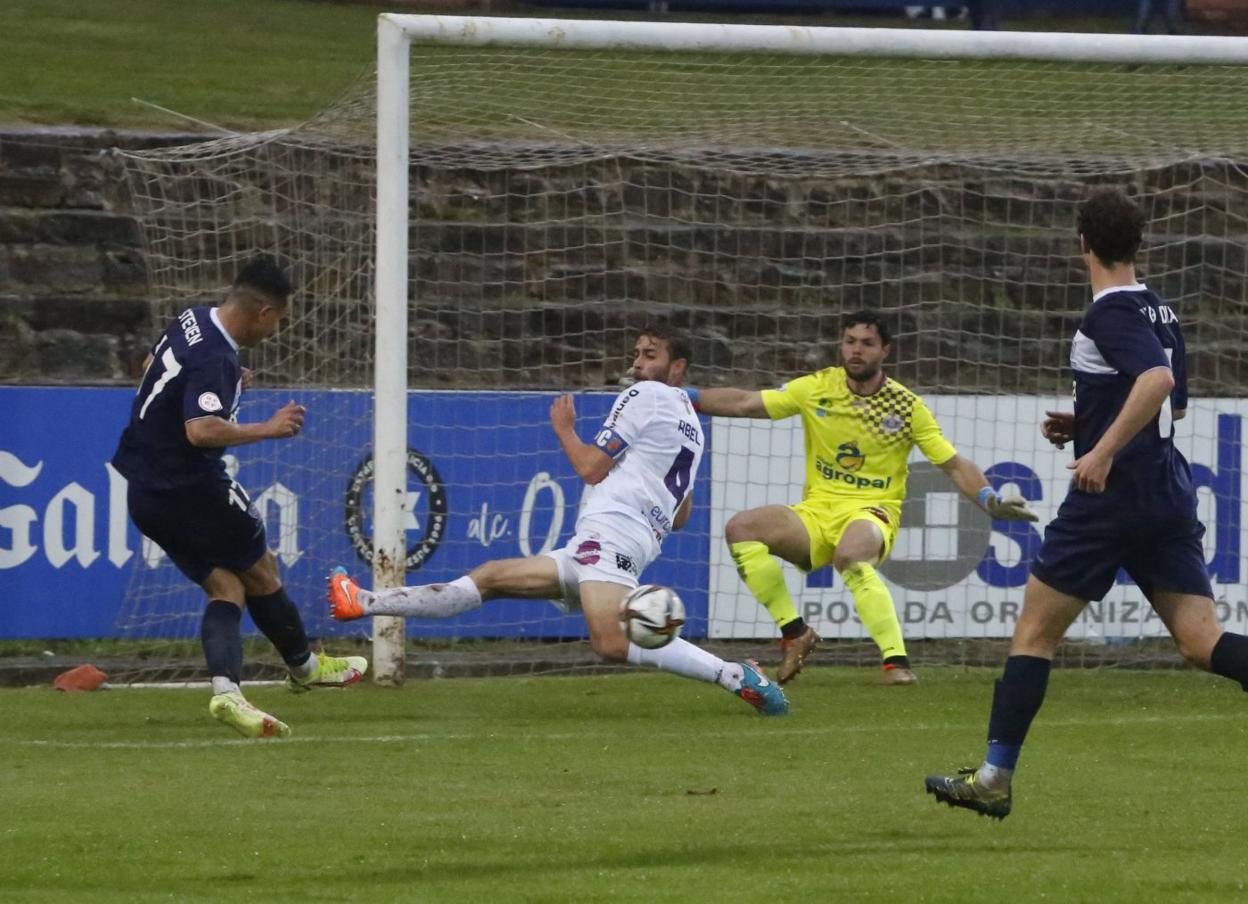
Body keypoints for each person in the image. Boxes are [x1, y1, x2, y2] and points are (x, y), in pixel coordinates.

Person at [925, 189, 1248, 820]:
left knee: (1035, 634)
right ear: (1138, 242)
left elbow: (1157, 384)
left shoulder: (1107, 312)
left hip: (1109, 500)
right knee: (1199, 640)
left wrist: (1097, 450)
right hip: (1165, 495)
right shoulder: (1160, 309)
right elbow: (1171, 407)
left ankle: (994, 777)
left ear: (1083, 243)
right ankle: (992, 775)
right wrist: (1087, 420)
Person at [327, 326, 789, 716]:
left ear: (678, 367)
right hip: (622, 539)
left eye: (651, 355)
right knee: (490, 578)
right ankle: (362, 601)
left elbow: (591, 467)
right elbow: (683, 514)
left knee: (609, 642)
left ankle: (734, 675)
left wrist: (565, 429)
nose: (638, 364)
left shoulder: (645, 395)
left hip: (611, 533)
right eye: (636, 355)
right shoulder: (693, 423)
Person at [690, 311, 1037, 686]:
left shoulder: (906, 407)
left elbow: (953, 464)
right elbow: (745, 402)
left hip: (873, 513)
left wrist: (988, 498)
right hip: (817, 512)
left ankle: (896, 662)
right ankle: (795, 633)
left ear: (884, 350)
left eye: (867, 343)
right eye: (850, 341)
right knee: (742, 528)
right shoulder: (818, 387)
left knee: (850, 554)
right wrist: (684, 397)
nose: (856, 350)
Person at [112, 255, 367, 739]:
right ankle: (306, 667)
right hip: (192, 490)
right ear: (264, 312)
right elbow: (202, 430)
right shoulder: (217, 357)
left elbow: (151, 367)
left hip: (145, 491)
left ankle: (227, 693)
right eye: (279, 320)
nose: (275, 331)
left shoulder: (191, 320)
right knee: (262, 567)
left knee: (225, 588)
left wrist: (222, 386)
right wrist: (268, 427)